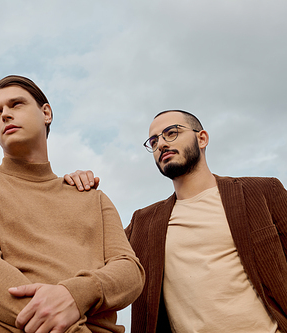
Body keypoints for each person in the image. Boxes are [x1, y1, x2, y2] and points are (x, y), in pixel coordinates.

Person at [0, 75, 144, 333]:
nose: (5, 114)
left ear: (46, 113)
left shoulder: (92, 196)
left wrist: (76, 294)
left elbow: (130, 272)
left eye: (16, 104)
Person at [67, 110, 287, 333]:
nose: (161, 144)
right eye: (153, 141)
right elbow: (88, 253)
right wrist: (75, 194)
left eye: (171, 133)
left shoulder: (262, 192)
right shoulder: (143, 224)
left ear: (202, 139)